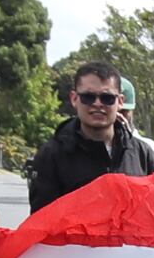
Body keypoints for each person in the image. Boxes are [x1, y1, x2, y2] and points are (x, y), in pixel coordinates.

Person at [28, 59, 141, 212]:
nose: (98, 104)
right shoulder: (51, 155)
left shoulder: (142, 154)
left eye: (107, 98)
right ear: (74, 99)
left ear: (120, 101)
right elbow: (41, 223)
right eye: (88, 97)